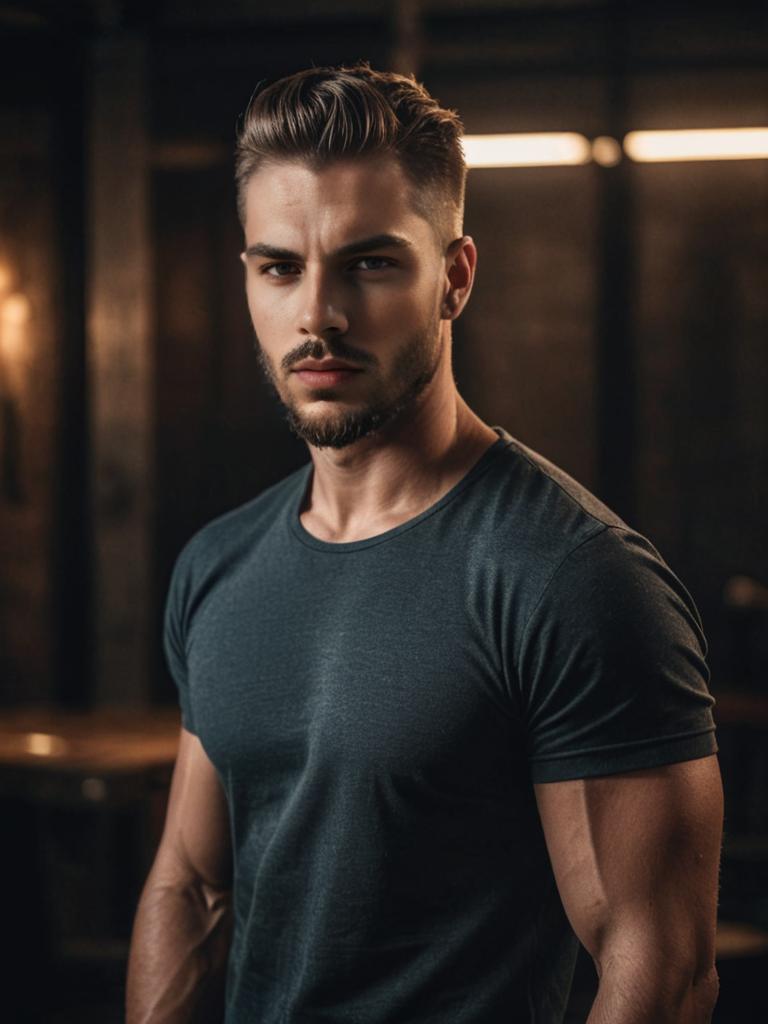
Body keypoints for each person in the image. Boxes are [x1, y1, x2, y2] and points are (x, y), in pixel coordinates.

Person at [126, 64, 722, 1024]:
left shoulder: (572, 579)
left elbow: (659, 966)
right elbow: (192, 887)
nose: (316, 314)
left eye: (369, 262)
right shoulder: (219, 565)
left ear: (455, 277)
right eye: (280, 266)